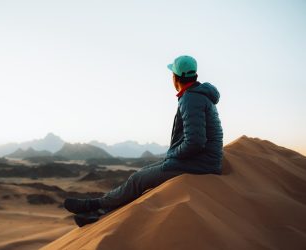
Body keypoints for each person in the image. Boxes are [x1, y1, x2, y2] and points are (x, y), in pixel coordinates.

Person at [64, 55, 223, 226]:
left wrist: (174, 155)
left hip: (198, 164)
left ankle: (95, 206)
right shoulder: (198, 96)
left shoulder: (191, 98)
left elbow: (195, 142)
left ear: (175, 78)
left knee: (138, 179)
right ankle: (98, 211)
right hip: (200, 161)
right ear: (195, 77)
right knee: (143, 173)